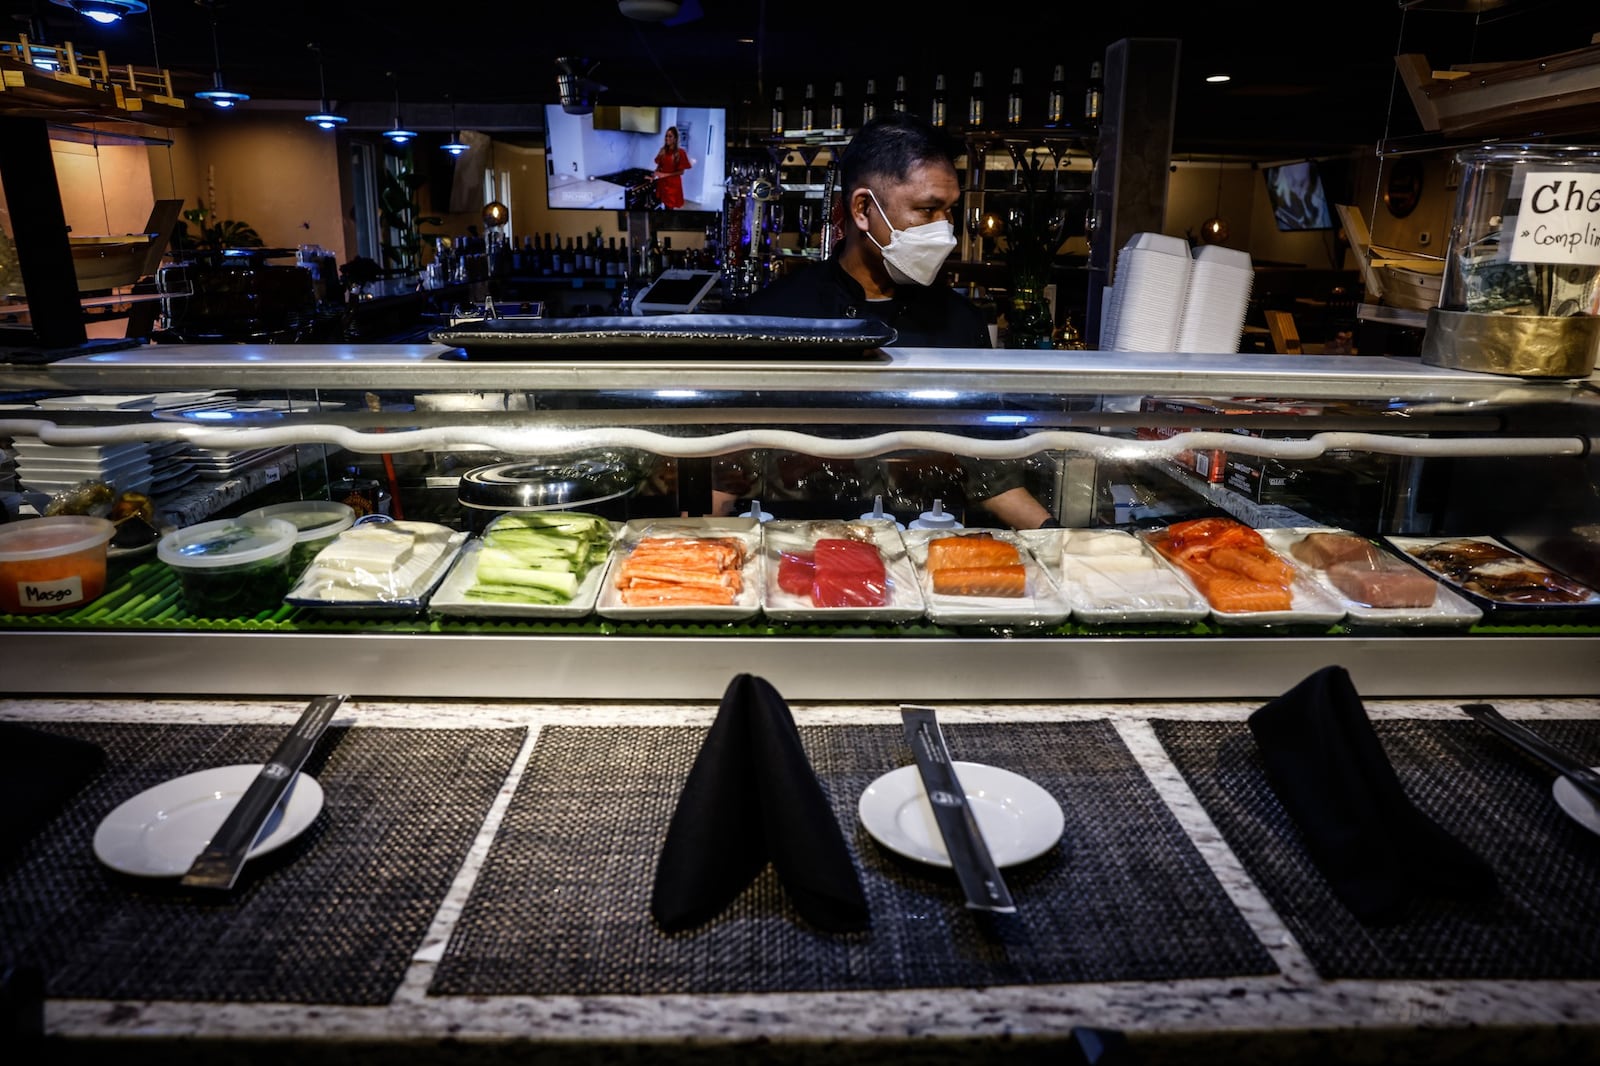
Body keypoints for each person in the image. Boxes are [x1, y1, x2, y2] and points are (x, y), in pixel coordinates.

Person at [735, 111, 1055, 530]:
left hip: (924, 544)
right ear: (863, 209)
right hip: (792, 547)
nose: (945, 231)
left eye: (949, 211)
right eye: (927, 209)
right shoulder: (773, 316)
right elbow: (732, 464)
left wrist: (1066, 545)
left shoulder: (960, 323)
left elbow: (989, 472)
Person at [652, 126, 692, 210]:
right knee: (659, 204)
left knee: (669, 207)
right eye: (666, 136)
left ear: (675, 138)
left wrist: (664, 174)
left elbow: (681, 172)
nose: (667, 138)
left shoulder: (681, 152)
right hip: (662, 183)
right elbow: (659, 166)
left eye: (670, 136)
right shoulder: (662, 150)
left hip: (673, 185)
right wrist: (654, 175)